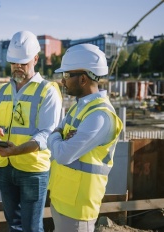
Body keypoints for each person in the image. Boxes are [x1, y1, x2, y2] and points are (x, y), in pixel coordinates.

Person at [0, 30, 62, 232]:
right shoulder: (3, 91)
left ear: (36, 58)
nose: (17, 67)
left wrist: (16, 150)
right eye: (14, 63)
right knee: (14, 226)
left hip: (33, 171)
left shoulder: (47, 90)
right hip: (6, 167)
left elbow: (47, 134)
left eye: (23, 62)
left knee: (32, 227)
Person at [47, 44, 123, 232]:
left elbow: (63, 154)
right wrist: (59, 137)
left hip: (78, 208)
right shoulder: (79, 107)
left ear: (82, 78)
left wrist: (58, 138)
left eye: (66, 75)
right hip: (61, 199)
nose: (62, 81)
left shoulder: (100, 116)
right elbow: (55, 133)